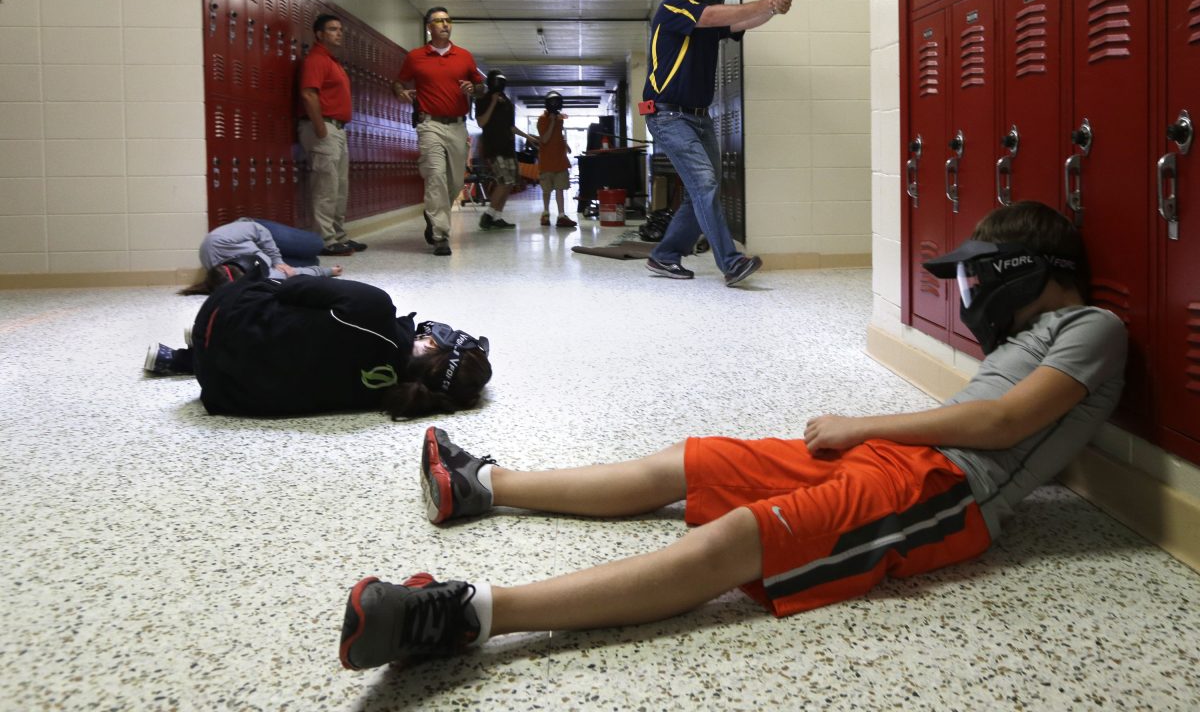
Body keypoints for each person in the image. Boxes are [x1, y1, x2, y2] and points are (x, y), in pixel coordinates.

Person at [335, 201, 1128, 671]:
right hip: (905, 458)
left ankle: (469, 616)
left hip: (945, 495)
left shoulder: (1096, 326)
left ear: (1031, 267)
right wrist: (869, 439)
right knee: (696, 461)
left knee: (742, 538)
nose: (975, 291)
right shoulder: (1038, 332)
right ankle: (486, 485)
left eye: (985, 274)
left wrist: (862, 426)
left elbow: (1004, 423)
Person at [145, 275, 492, 419]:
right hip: (221, 387)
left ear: (432, 343)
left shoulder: (376, 310)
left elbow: (292, 288)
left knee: (272, 278)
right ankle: (191, 358)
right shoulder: (380, 399)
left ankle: (195, 344)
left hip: (219, 315)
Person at [642, 0, 792, 287]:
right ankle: (731, 262)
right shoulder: (674, 7)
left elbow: (743, 22)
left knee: (700, 190)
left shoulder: (709, 20)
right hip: (668, 116)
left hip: (698, 116)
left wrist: (773, 9)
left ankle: (665, 256)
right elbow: (709, 17)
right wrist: (764, 2)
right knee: (705, 185)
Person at [394, 7, 485, 256]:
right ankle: (440, 235)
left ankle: (433, 212)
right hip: (429, 124)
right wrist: (400, 91)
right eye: (439, 21)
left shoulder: (464, 56)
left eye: (448, 20)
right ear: (429, 27)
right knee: (435, 177)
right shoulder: (416, 57)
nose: (445, 24)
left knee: (454, 182)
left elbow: (481, 87)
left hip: (457, 125)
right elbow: (398, 82)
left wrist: (474, 89)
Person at [298, 13, 367, 258]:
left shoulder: (333, 61)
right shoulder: (316, 59)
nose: (339, 33)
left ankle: (338, 235)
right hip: (324, 128)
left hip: (337, 129)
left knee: (339, 187)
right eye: (332, 29)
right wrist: (320, 129)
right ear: (319, 34)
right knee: (325, 188)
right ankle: (324, 240)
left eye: (340, 29)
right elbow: (309, 94)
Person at [180, 218, 342, 295]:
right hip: (264, 258)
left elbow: (257, 230)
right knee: (312, 261)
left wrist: (278, 260)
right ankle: (281, 259)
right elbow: (294, 275)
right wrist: (327, 272)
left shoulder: (216, 242)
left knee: (314, 244)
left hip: (257, 232)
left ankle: (282, 255)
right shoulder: (260, 278)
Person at [474, 69, 532, 230]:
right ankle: (488, 215)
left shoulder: (507, 102)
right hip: (494, 148)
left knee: (510, 182)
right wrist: (492, 102)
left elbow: (511, 127)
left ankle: (497, 217)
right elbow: (481, 123)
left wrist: (529, 137)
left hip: (508, 148)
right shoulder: (483, 100)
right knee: (504, 180)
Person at [536, 91, 576, 228]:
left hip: (560, 161)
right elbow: (545, 139)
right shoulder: (542, 119)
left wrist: (565, 144)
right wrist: (552, 121)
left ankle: (561, 215)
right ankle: (546, 213)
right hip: (546, 162)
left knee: (560, 189)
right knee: (546, 190)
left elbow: (557, 136)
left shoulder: (560, 119)